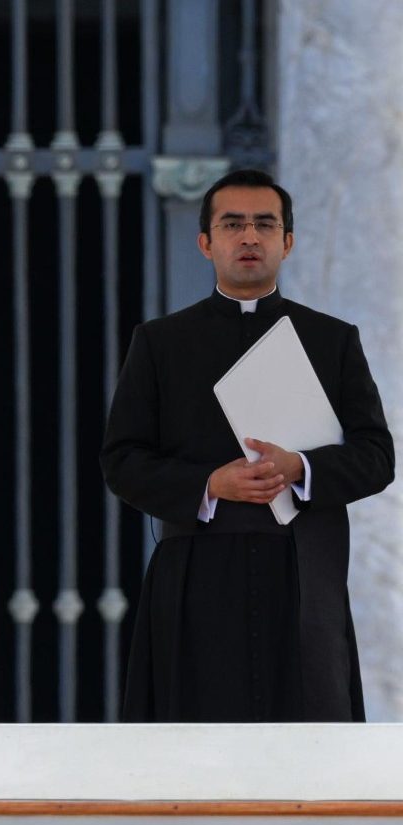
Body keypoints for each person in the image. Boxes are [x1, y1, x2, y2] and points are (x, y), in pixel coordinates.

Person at [101, 169, 393, 722]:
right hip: (196, 575)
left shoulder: (333, 340)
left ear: (288, 241)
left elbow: (378, 456)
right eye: (232, 224)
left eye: (265, 224)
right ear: (206, 242)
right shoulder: (160, 342)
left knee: (308, 750)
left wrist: (300, 467)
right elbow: (122, 460)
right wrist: (210, 483)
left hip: (304, 574)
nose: (249, 237)